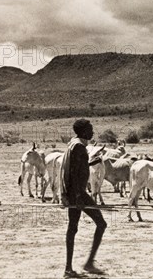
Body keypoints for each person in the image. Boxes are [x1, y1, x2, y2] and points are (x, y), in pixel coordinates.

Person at [60, 119, 107, 278]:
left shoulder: (73, 144)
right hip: (78, 193)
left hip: (74, 192)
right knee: (101, 223)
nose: (92, 132)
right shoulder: (79, 147)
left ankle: (68, 268)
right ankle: (88, 263)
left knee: (72, 228)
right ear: (84, 131)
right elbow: (74, 172)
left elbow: (77, 168)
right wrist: (79, 197)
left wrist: (91, 162)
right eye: (90, 129)